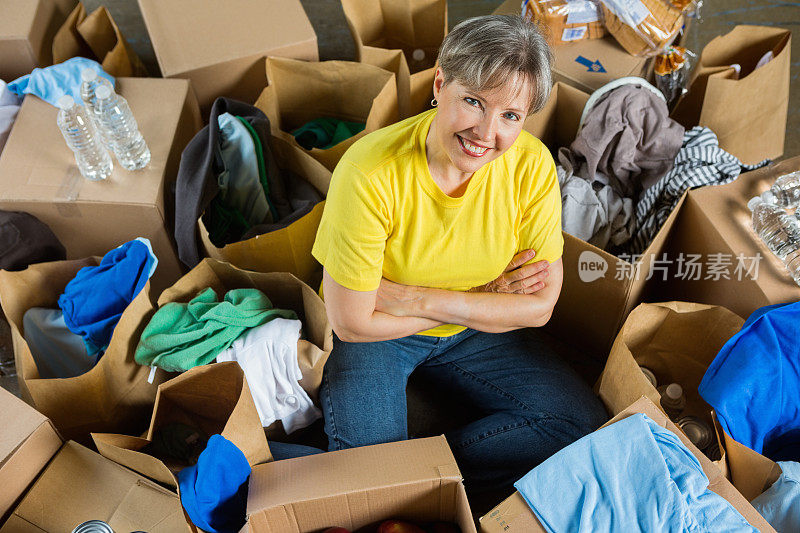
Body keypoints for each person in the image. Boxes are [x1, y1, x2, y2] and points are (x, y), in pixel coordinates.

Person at [311, 14, 607, 495]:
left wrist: (418, 299)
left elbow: (539, 307)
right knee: (370, 482)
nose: (486, 133)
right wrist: (484, 299)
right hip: (385, 338)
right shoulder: (369, 174)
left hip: (465, 329)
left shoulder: (529, 165)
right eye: (473, 102)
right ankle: (404, 478)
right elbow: (351, 323)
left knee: (576, 425)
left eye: (510, 116)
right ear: (440, 83)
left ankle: (421, 474)